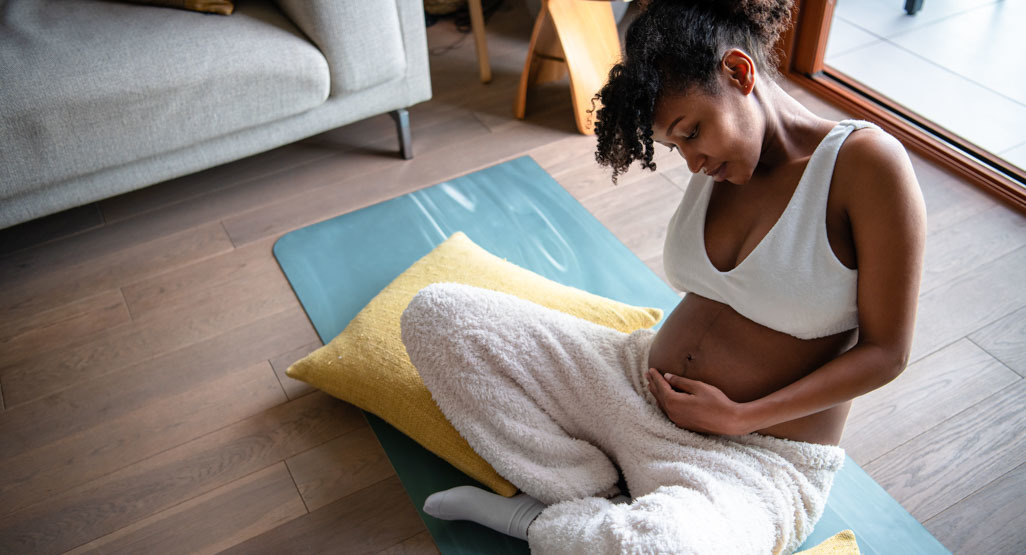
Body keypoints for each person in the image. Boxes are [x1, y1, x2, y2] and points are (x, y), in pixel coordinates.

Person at [401, 0, 927, 553]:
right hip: (633, 384)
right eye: (674, 147)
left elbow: (887, 352)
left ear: (739, 72)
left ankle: (537, 523)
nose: (693, 163)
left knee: (664, 547)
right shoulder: (722, 161)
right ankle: (579, 489)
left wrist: (740, 416)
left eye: (691, 131)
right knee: (438, 316)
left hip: (756, 459)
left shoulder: (866, 166)